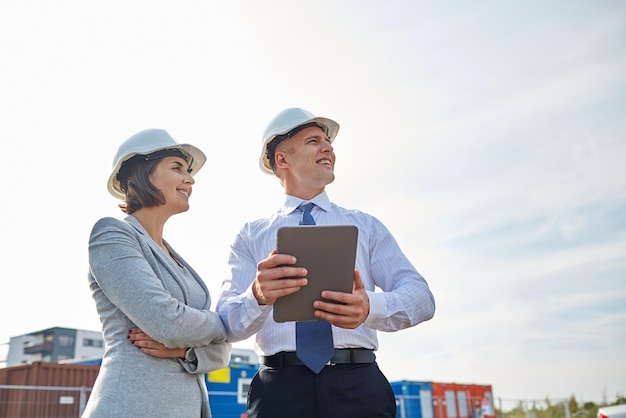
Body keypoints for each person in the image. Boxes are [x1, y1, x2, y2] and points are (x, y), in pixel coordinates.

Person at [216, 108, 436, 418]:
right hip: (279, 392)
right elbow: (225, 323)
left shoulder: (367, 226)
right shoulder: (251, 235)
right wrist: (258, 295)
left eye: (328, 142)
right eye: (313, 141)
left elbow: (422, 298)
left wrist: (370, 307)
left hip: (358, 386)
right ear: (282, 160)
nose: (328, 147)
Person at [83, 128, 231, 418]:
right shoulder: (112, 235)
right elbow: (168, 323)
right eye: (177, 168)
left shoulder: (175, 257)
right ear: (142, 175)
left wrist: (186, 351)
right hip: (130, 407)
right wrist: (224, 325)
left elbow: (222, 353)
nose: (190, 179)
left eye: (189, 171)